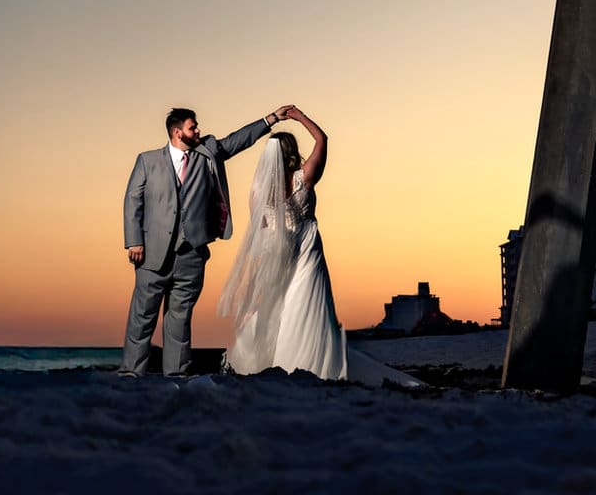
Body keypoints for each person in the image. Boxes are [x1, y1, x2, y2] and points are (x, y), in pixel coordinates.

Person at [218, 107, 416, 386]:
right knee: (310, 307)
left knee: (280, 307)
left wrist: (256, 284)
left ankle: (277, 364)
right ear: (292, 153)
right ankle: (311, 364)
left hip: (277, 255)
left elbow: (259, 242)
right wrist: (298, 115)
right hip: (307, 251)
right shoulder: (305, 177)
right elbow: (322, 139)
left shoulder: (258, 194)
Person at [121, 103, 288, 375]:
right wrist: (134, 241)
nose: (198, 129)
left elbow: (237, 141)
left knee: (180, 319)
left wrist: (269, 120)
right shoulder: (147, 161)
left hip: (192, 254)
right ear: (177, 132)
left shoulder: (207, 152)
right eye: (192, 126)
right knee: (142, 319)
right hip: (151, 254)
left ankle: (175, 375)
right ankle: (130, 374)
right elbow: (132, 201)